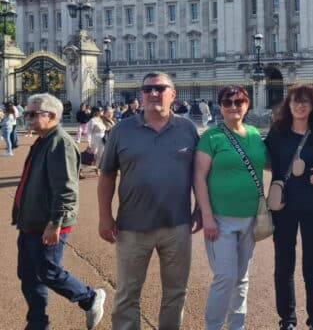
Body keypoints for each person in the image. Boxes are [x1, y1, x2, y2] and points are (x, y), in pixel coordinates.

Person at [97, 72, 201, 330]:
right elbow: (107, 174)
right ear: (141, 95)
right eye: (147, 89)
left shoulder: (188, 129)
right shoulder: (122, 129)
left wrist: (200, 207)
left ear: (173, 94)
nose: (153, 93)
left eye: (160, 88)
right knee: (126, 294)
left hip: (177, 225)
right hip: (132, 226)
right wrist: (104, 215)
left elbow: (200, 173)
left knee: (176, 292)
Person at [12, 93, 106, 330]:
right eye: (26, 113)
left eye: (33, 114)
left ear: (52, 116)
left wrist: (55, 223)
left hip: (49, 222)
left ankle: (90, 298)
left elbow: (66, 189)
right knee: (28, 275)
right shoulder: (44, 139)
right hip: (31, 221)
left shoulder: (60, 142)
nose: (28, 119)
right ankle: (37, 323)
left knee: (48, 272)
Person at [193, 85, 267, 330]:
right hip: (221, 218)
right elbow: (199, 177)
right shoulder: (211, 136)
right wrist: (207, 217)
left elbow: (271, 165)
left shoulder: (255, 134)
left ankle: (237, 326)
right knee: (225, 278)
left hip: (251, 217)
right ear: (220, 106)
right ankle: (212, 326)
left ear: (247, 104)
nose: (234, 107)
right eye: (228, 102)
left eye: (239, 102)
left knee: (242, 279)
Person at [264, 85, 313, 330]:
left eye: (305, 102)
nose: (300, 105)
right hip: (284, 207)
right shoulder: (277, 132)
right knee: (283, 266)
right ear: (288, 105)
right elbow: (263, 159)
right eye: (295, 101)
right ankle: (287, 320)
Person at [82, 107, 108, 177]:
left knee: (100, 155)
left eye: (102, 110)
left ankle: (97, 168)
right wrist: (89, 142)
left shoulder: (102, 119)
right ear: (96, 112)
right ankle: (81, 169)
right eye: (101, 111)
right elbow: (89, 132)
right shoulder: (92, 121)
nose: (102, 112)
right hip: (95, 139)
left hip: (102, 139)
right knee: (91, 155)